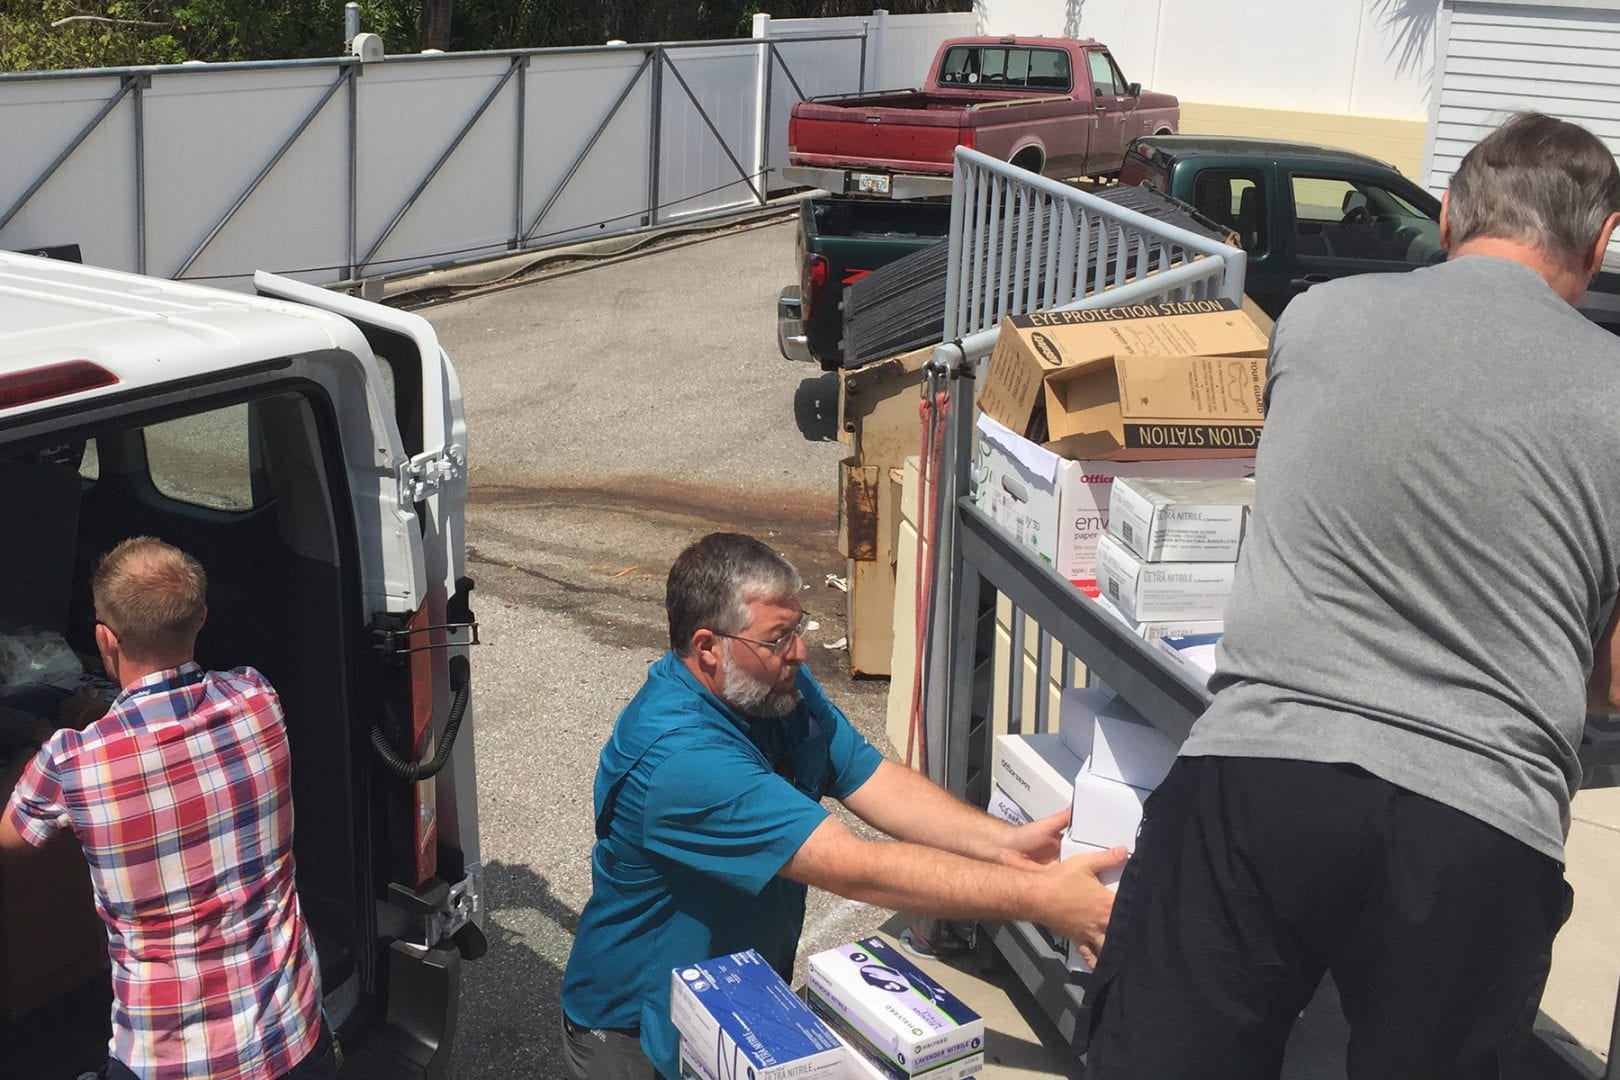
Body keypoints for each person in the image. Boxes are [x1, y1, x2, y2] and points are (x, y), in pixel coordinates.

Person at [1085, 111, 1620, 1080]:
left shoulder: (1315, 319)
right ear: (1603, 240)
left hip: (1261, 770)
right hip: (1482, 818)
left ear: (1449, 213)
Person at [560, 532, 1125, 1079]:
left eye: (798, 628)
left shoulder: (772, 690)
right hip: (643, 1036)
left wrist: (1004, 844)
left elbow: (871, 778)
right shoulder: (681, 761)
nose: (799, 652)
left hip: (733, 1001)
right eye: (778, 637)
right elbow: (856, 868)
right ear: (709, 648)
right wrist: (1044, 899)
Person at [0, 537, 335, 1080]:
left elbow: (10, 841)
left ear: (104, 639)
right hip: (295, 1039)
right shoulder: (258, 698)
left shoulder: (74, 760)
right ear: (201, 618)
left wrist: (31, 747)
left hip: (172, 1064)